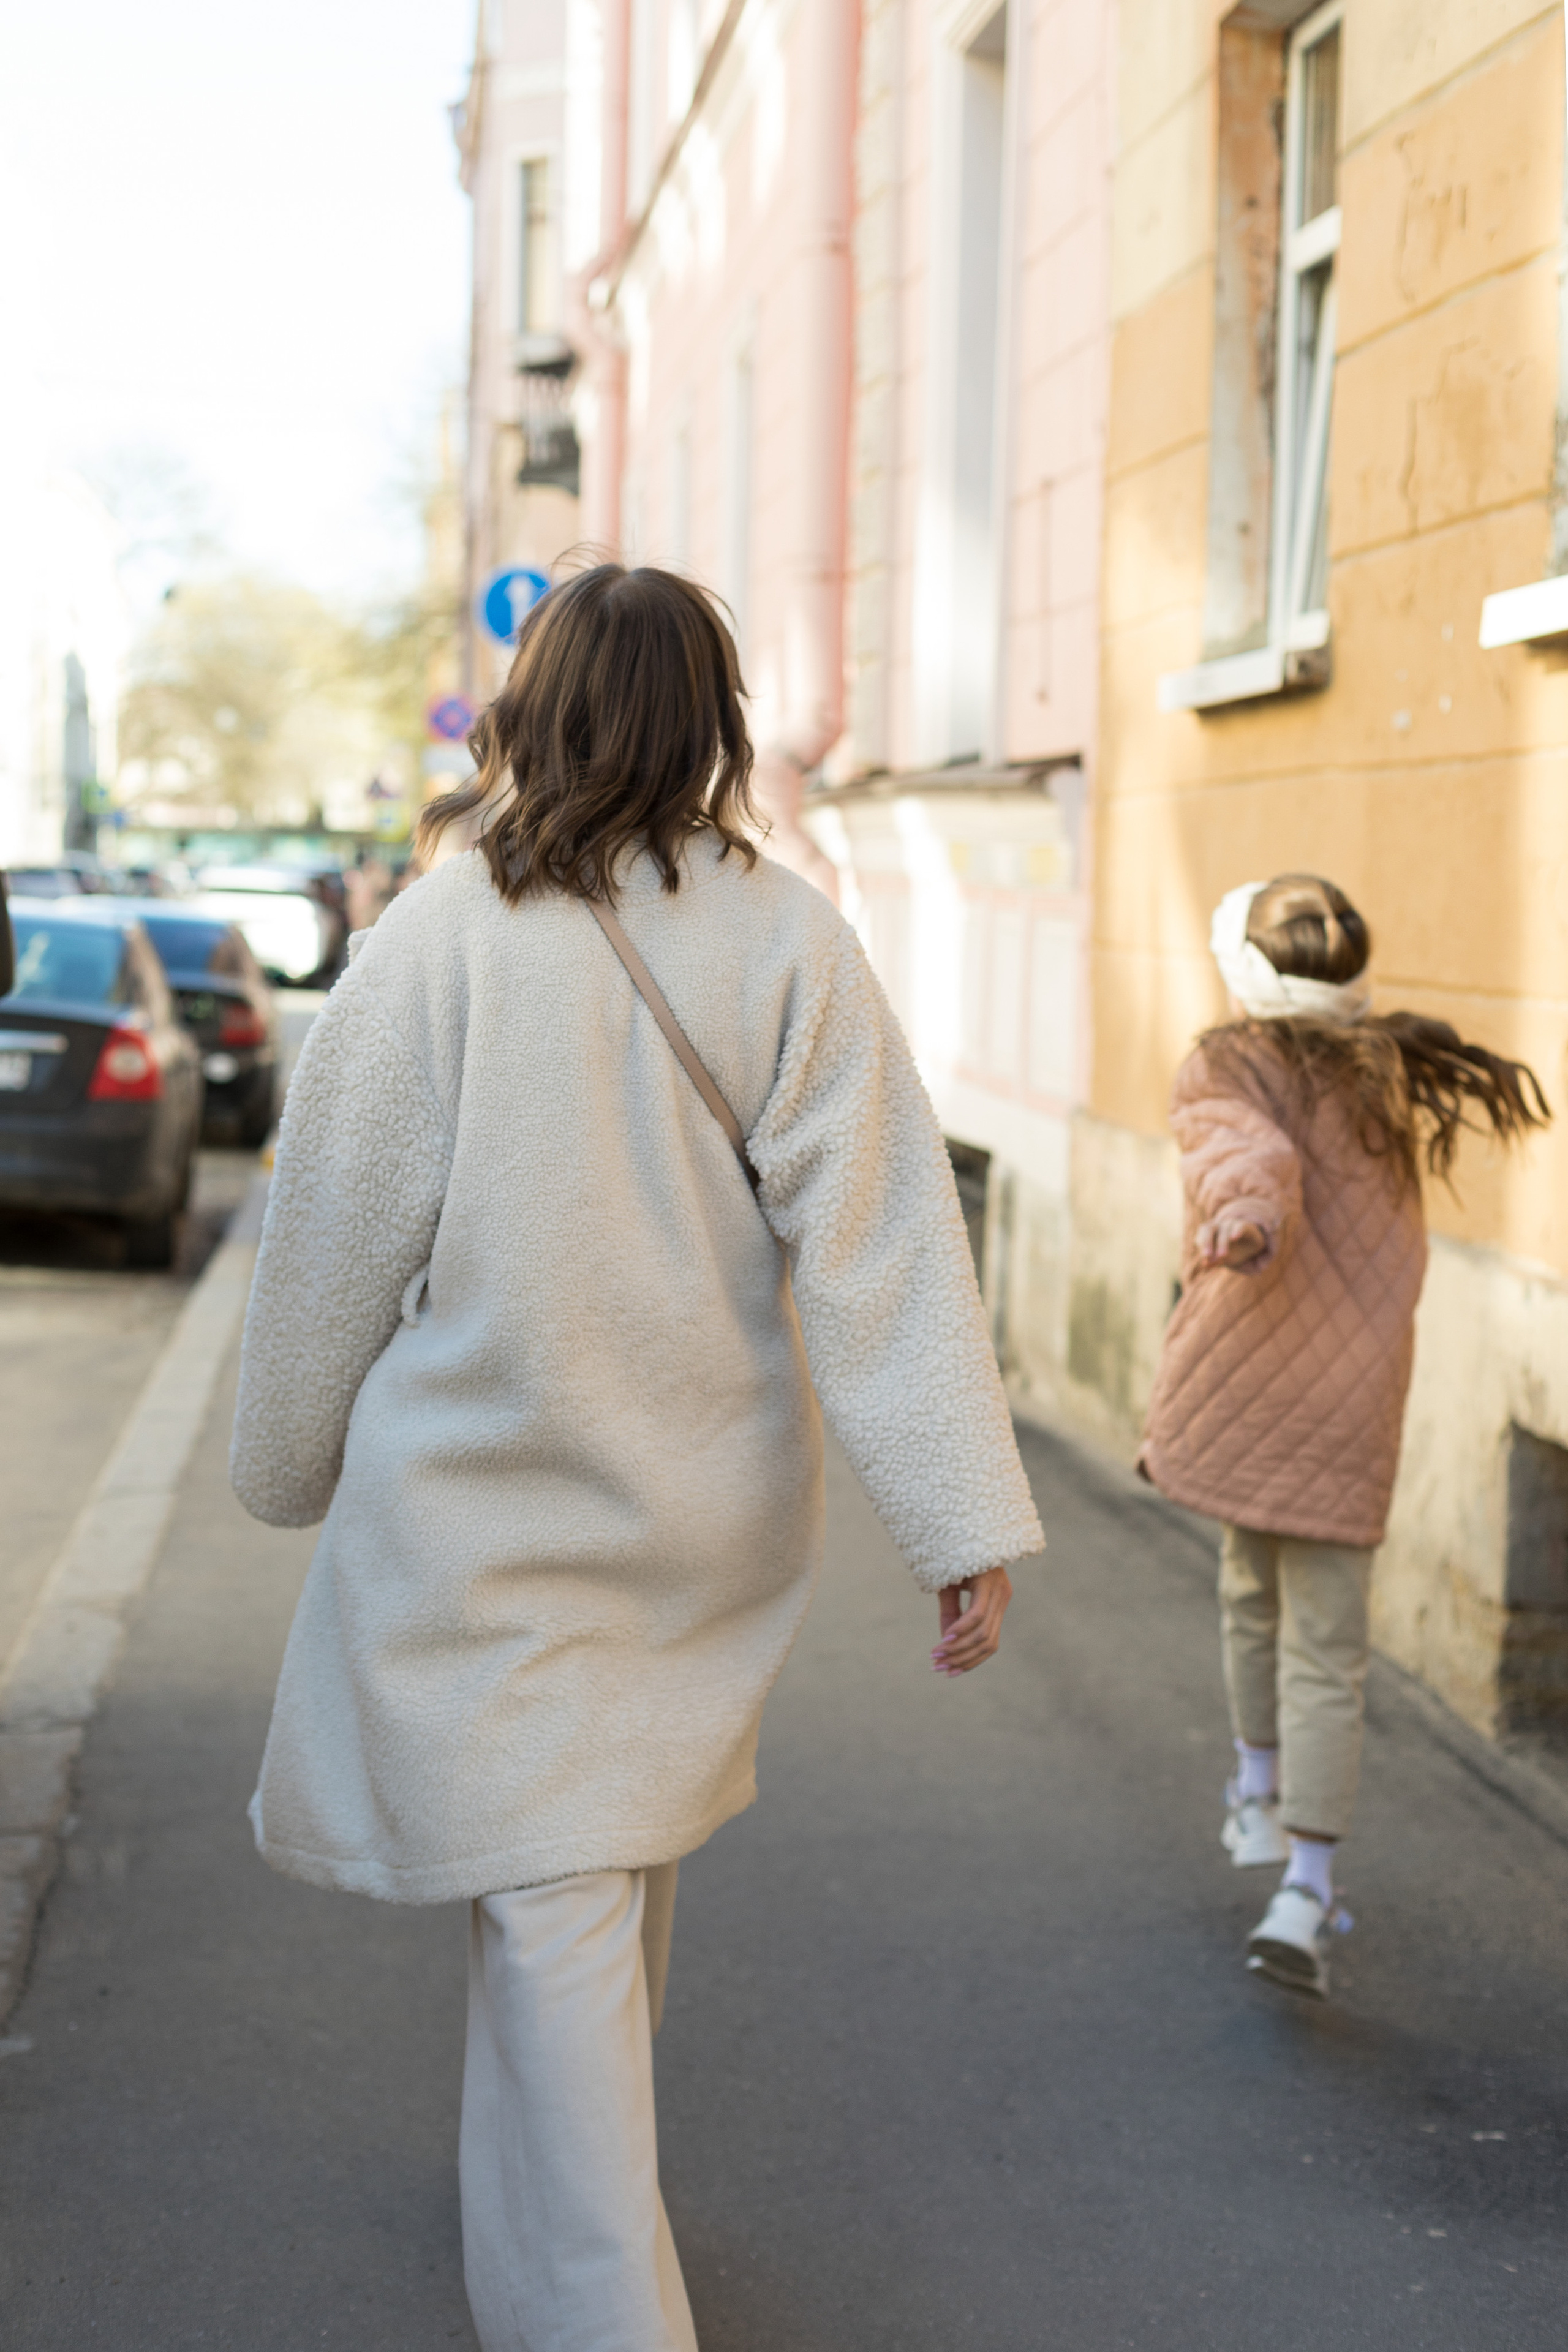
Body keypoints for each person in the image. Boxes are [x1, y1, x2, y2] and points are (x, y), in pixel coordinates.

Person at [229, 562, 1044, 2351]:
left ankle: (603, 2320)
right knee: (585, 1910)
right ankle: (527, 2275)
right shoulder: (791, 942)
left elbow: (334, 1229)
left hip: (485, 1532)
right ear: (712, 720)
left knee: (561, 1923)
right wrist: (953, 1520)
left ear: (534, 713)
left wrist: (282, 1461)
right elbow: (887, 1246)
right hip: (699, 1518)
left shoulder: (441, 937)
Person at [1140, 875, 1548, 2001]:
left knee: (1251, 1593)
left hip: (1257, 1375)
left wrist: (1244, 1220)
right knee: (1317, 1633)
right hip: (1350, 1392)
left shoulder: (1225, 1063)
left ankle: (1269, 1821)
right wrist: (1250, 1208)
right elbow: (1258, 1163)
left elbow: (1245, 1160)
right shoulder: (1387, 1073)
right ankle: (1301, 1874)